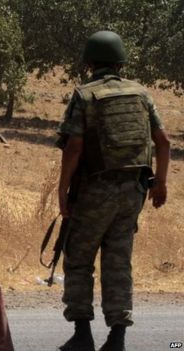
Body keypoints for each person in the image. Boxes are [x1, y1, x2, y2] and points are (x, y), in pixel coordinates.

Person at [56, 30, 170, 351]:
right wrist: (160, 183)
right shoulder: (141, 94)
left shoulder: (85, 95)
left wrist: (63, 190)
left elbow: (74, 146)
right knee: (118, 262)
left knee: (79, 259)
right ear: (120, 61)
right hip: (133, 191)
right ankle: (117, 337)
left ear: (90, 62)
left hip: (95, 189)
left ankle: (82, 334)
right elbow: (163, 141)